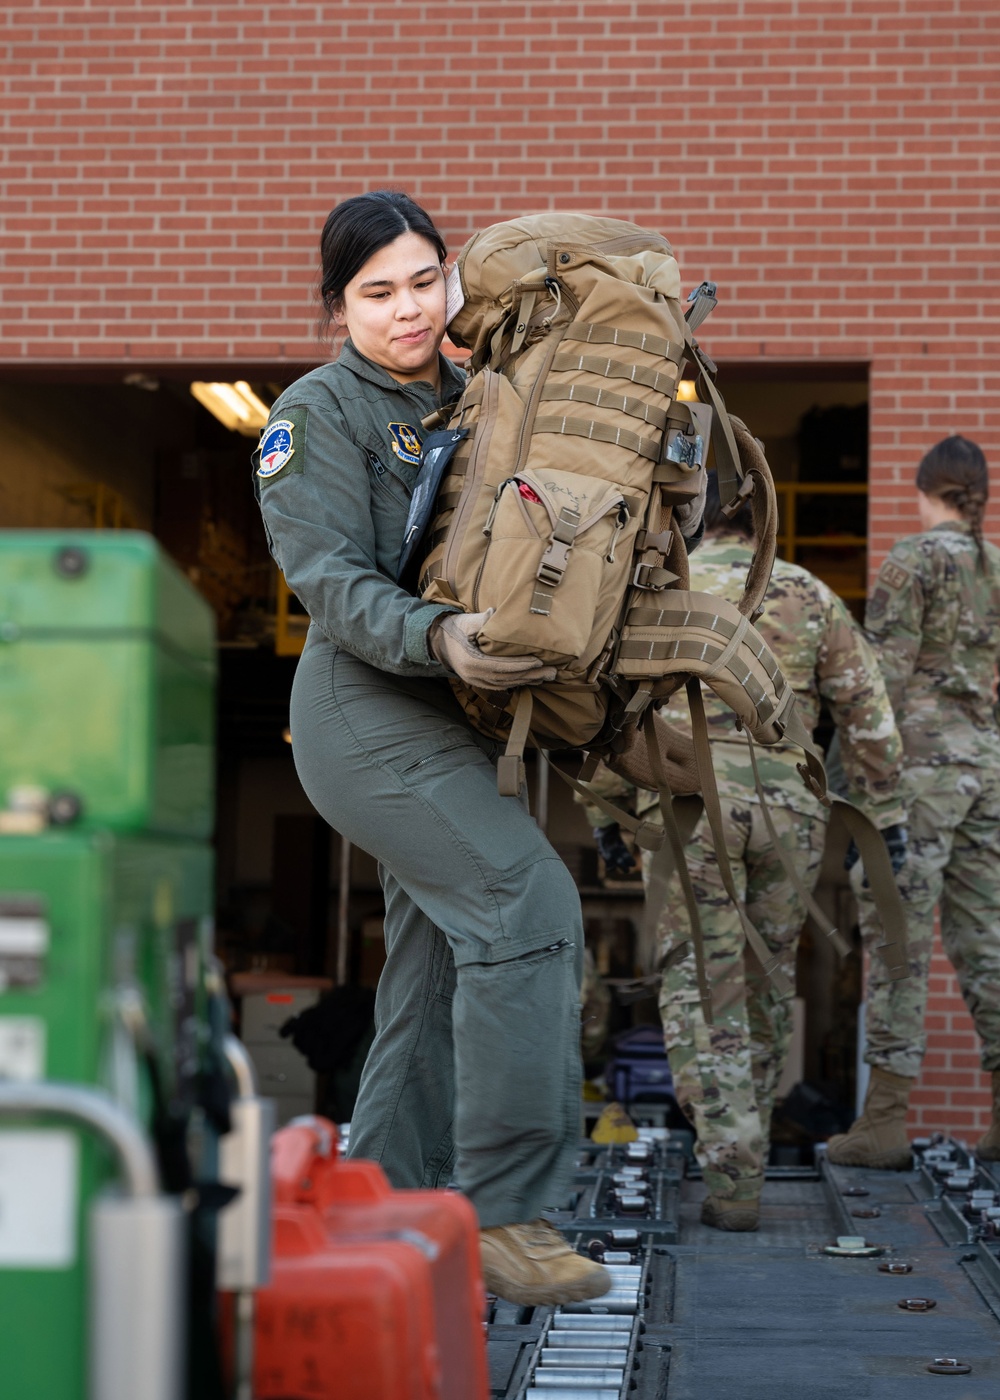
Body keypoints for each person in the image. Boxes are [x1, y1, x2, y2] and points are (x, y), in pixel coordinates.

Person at [253, 189, 611, 1305]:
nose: (407, 310)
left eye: (424, 281)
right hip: (362, 710)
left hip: (449, 720)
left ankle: (384, 1202)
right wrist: (442, 634)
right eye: (376, 292)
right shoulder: (316, 414)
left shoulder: (478, 394)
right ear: (338, 306)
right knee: (525, 902)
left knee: (439, 962)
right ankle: (504, 1209)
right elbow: (331, 584)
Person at [583, 472, 906, 1229]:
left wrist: (603, 813)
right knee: (764, 986)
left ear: (696, 523)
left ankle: (733, 1172)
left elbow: (609, 708)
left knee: (702, 986)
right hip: (789, 813)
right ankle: (746, 1145)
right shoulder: (811, 595)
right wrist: (883, 819)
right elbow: (869, 718)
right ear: (766, 528)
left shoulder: (666, 597)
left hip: (692, 802)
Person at [827, 436, 1000, 1169]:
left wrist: (842, 783)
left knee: (901, 942)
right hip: (984, 766)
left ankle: (886, 1122)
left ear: (925, 489)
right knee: (986, 939)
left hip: (918, 776)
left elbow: (880, 682)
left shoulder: (911, 560)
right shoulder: (992, 566)